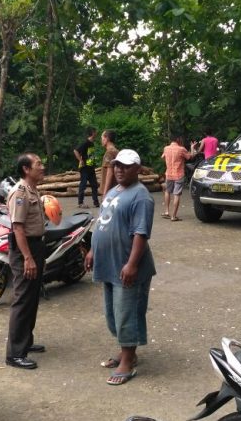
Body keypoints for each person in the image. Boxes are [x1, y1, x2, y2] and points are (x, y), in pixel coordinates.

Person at [85, 149, 156, 386]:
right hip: (109, 263)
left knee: (127, 313)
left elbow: (141, 233)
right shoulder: (114, 190)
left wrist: (132, 264)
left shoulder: (141, 196)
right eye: (117, 165)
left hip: (127, 266)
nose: (119, 169)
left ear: (137, 169)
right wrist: (93, 250)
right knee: (113, 314)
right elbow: (102, 221)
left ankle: (127, 362)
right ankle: (127, 352)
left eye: (125, 166)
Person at [5, 153, 47, 370]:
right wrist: (28, 258)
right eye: (38, 164)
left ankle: (25, 342)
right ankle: (14, 354)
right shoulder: (19, 192)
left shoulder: (32, 189)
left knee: (32, 297)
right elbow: (18, 228)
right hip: (25, 250)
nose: (42, 167)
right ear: (26, 169)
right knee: (23, 299)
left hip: (35, 246)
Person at [161, 134, 193, 221]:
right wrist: (192, 147)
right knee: (177, 194)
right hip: (179, 174)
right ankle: (173, 216)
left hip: (168, 174)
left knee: (167, 191)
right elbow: (190, 157)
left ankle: (167, 212)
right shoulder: (181, 149)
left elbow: (163, 157)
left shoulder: (166, 148)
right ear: (178, 139)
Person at [73, 127, 100, 208]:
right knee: (83, 185)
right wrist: (80, 160)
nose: (97, 133)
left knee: (94, 185)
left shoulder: (92, 143)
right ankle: (80, 203)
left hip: (91, 167)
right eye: (95, 132)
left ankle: (96, 202)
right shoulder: (85, 142)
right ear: (92, 133)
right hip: (84, 168)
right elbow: (75, 151)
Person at [100, 129, 120, 196]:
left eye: (102, 138)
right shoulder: (116, 151)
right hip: (116, 189)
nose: (101, 140)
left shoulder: (109, 152)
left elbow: (110, 173)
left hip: (110, 191)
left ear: (107, 138)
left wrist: (105, 193)